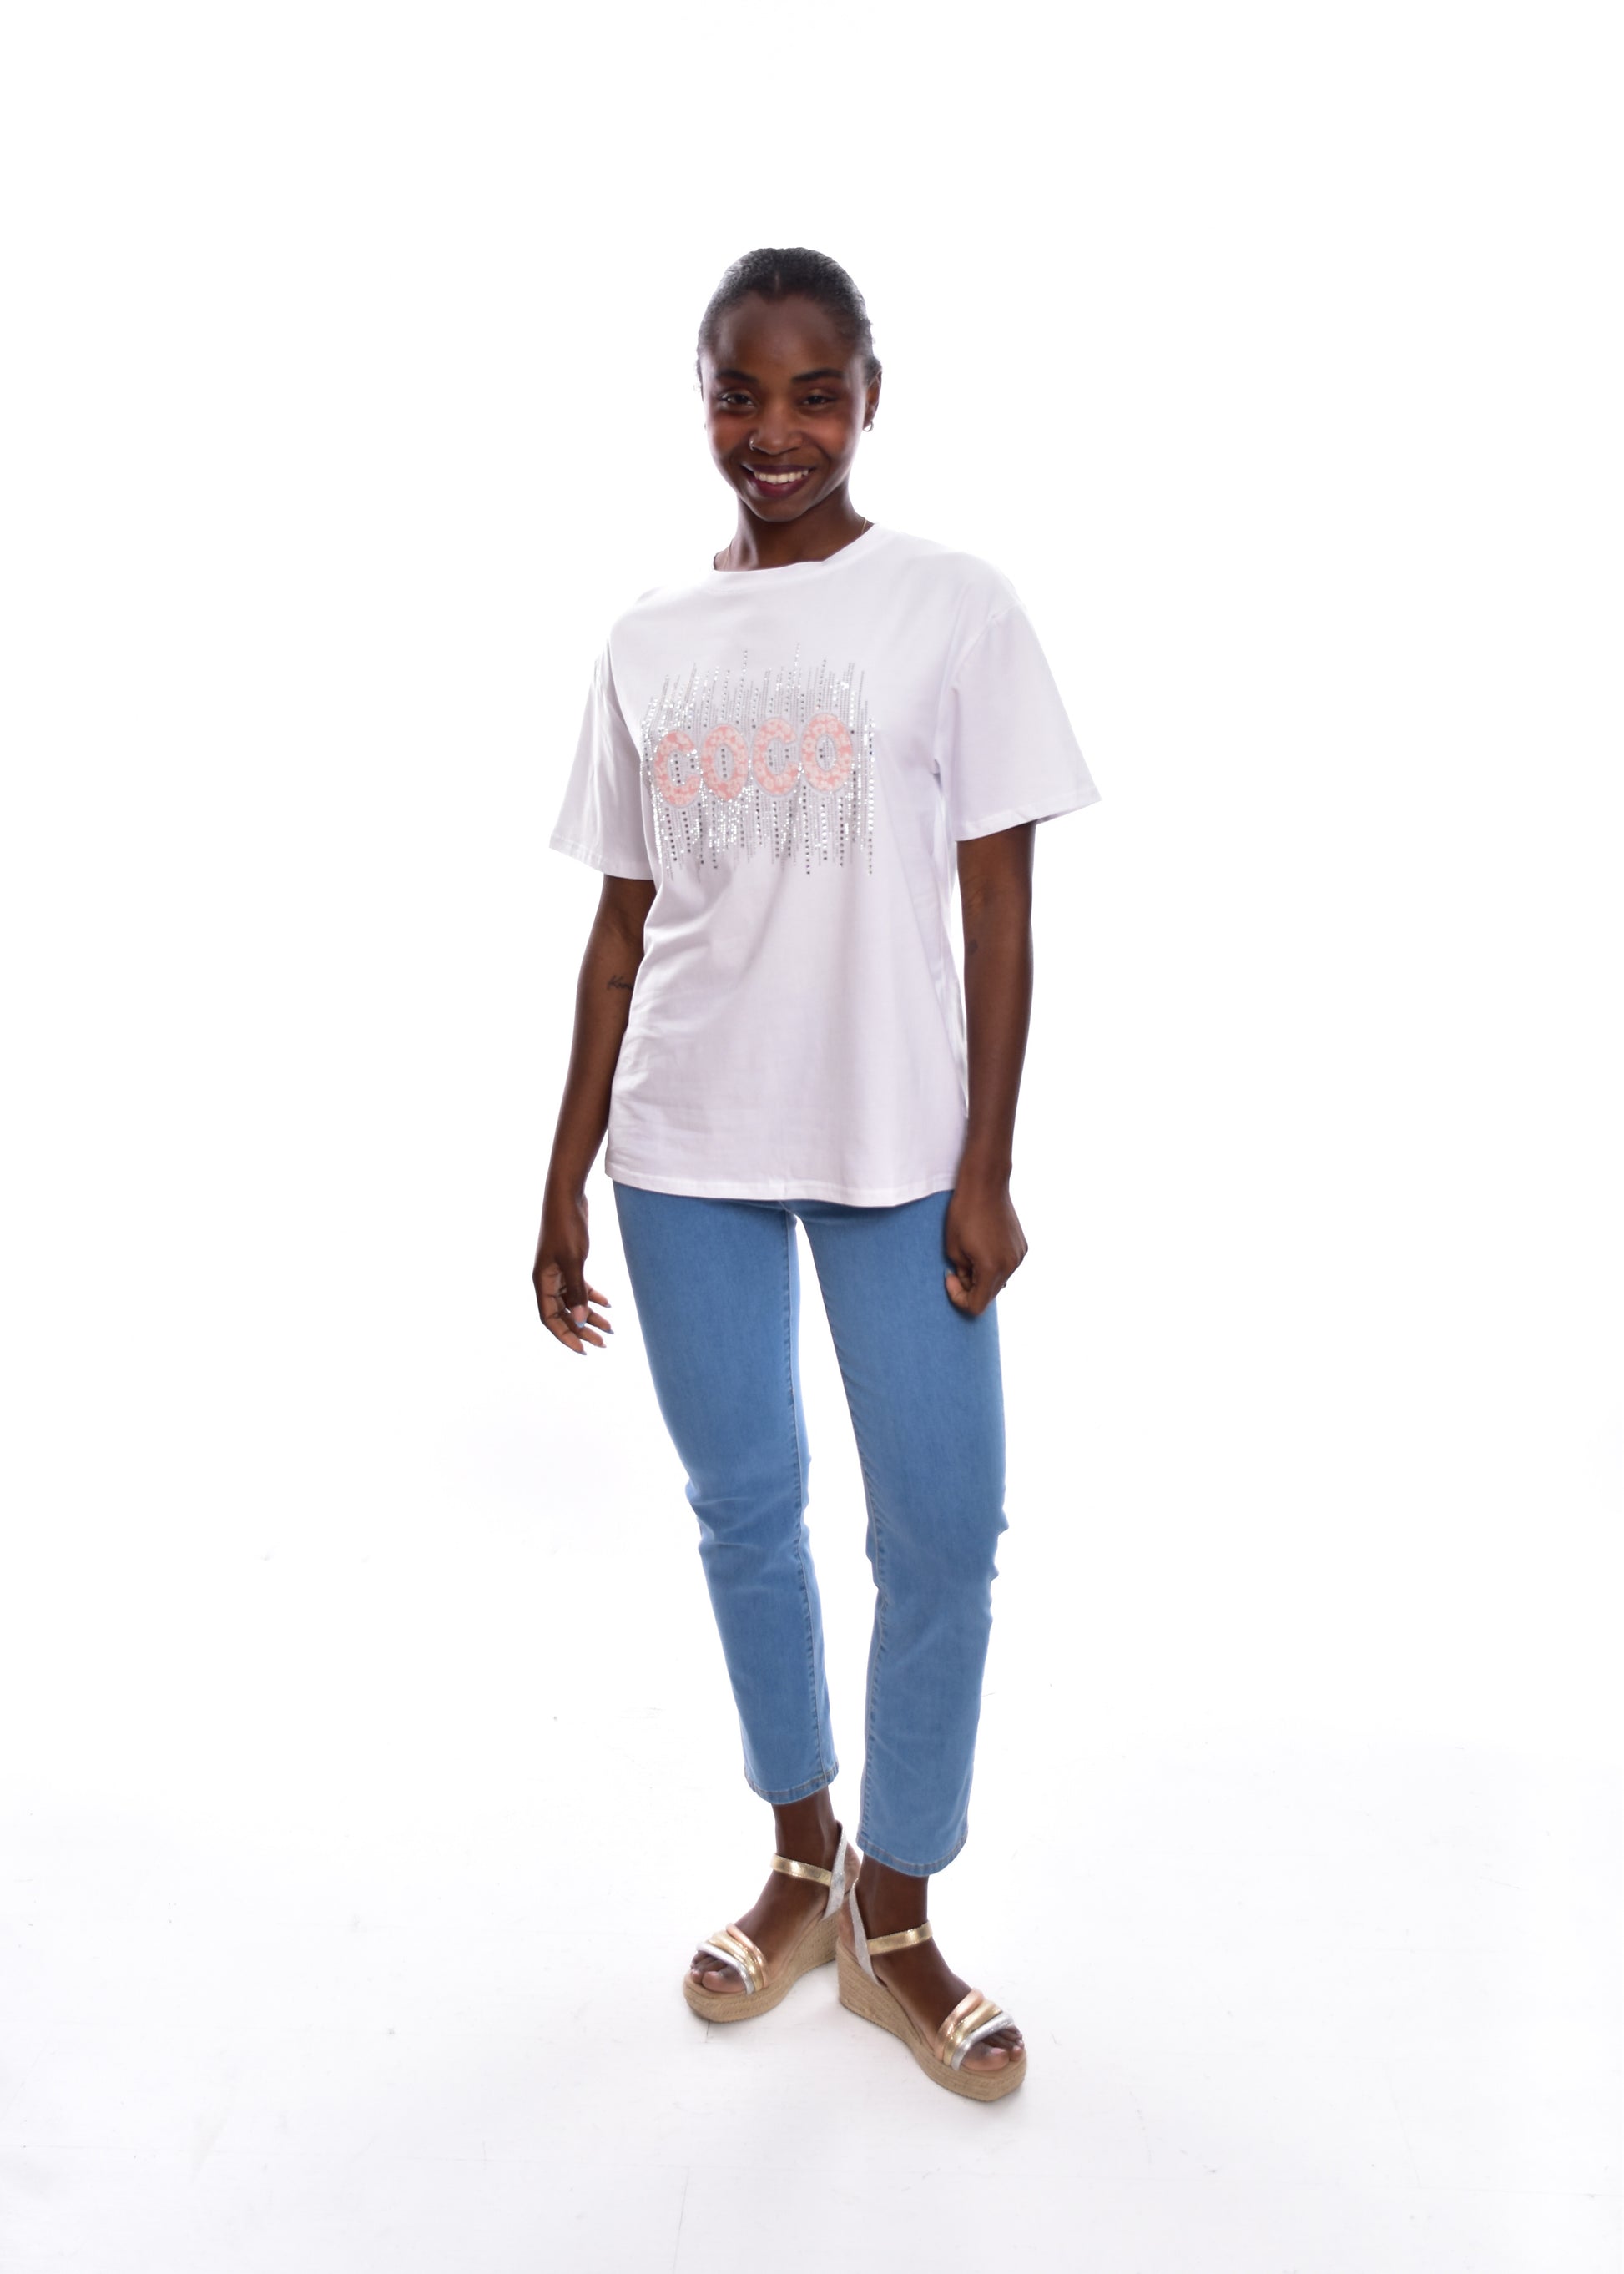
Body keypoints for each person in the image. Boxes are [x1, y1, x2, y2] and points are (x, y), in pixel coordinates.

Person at [533, 247, 1098, 2101]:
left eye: (811, 394)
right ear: (699, 397)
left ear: (869, 397)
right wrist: (561, 1175)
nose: (772, 431)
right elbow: (620, 933)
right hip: (681, 1141)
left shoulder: (954, 607)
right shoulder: (648, 641)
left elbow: (998, 909)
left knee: (942, 1529)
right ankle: (798, 1859)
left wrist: (985, 1164)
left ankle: (895, 1913)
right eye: (738, 392)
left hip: (895, 1143)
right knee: (744, 1508)